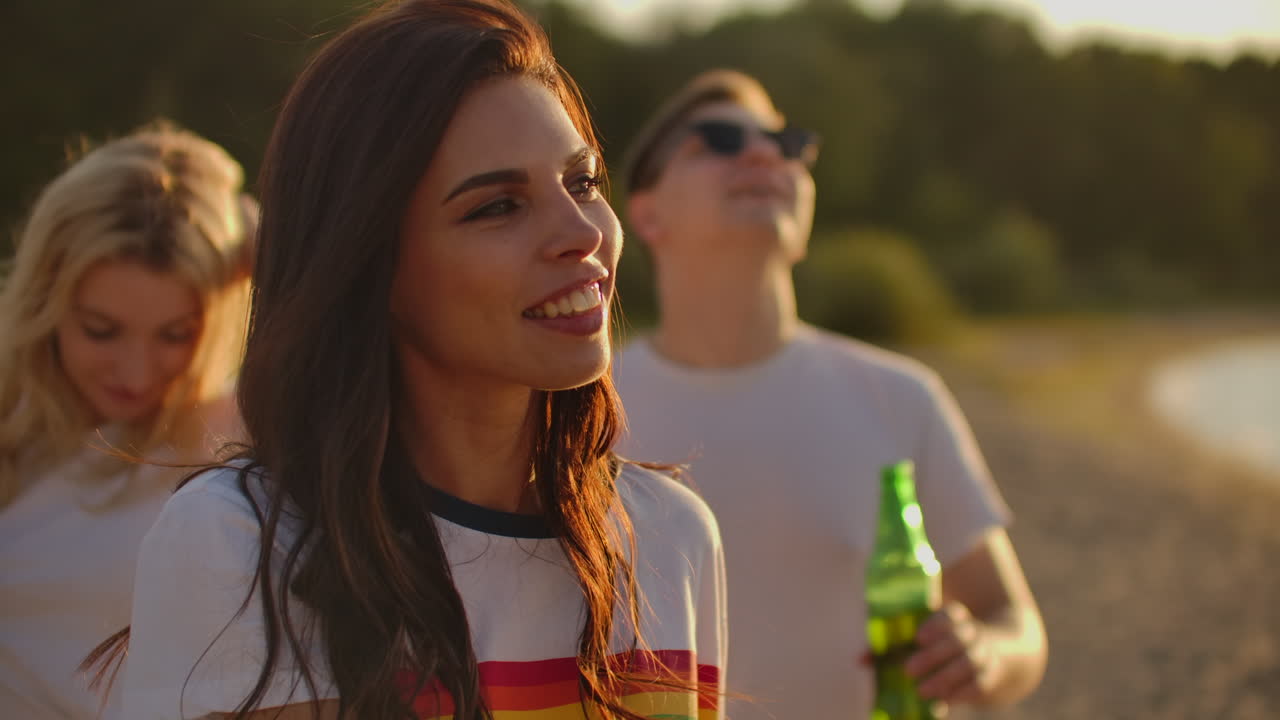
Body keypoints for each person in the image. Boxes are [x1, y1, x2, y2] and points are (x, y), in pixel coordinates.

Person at [97, 2, 726, 719]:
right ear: (371, 264)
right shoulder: (243, 543)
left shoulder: (670, 535)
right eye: (496, 207)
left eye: (581, 182)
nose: (581, 232)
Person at [613, 69, 1047, 720]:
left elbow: (1015, 624)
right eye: (721, 139)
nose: (764, 154)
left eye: (790, 144)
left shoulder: (901, 398)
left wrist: (983, 653)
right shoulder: (578, 406)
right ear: (644, 213)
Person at [0, 123, 254, 718]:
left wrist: (266, 243)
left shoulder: (237, 437)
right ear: (46, 297)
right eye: (101, 330)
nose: (136, 374)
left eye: (175, 335)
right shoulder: (13, 429)